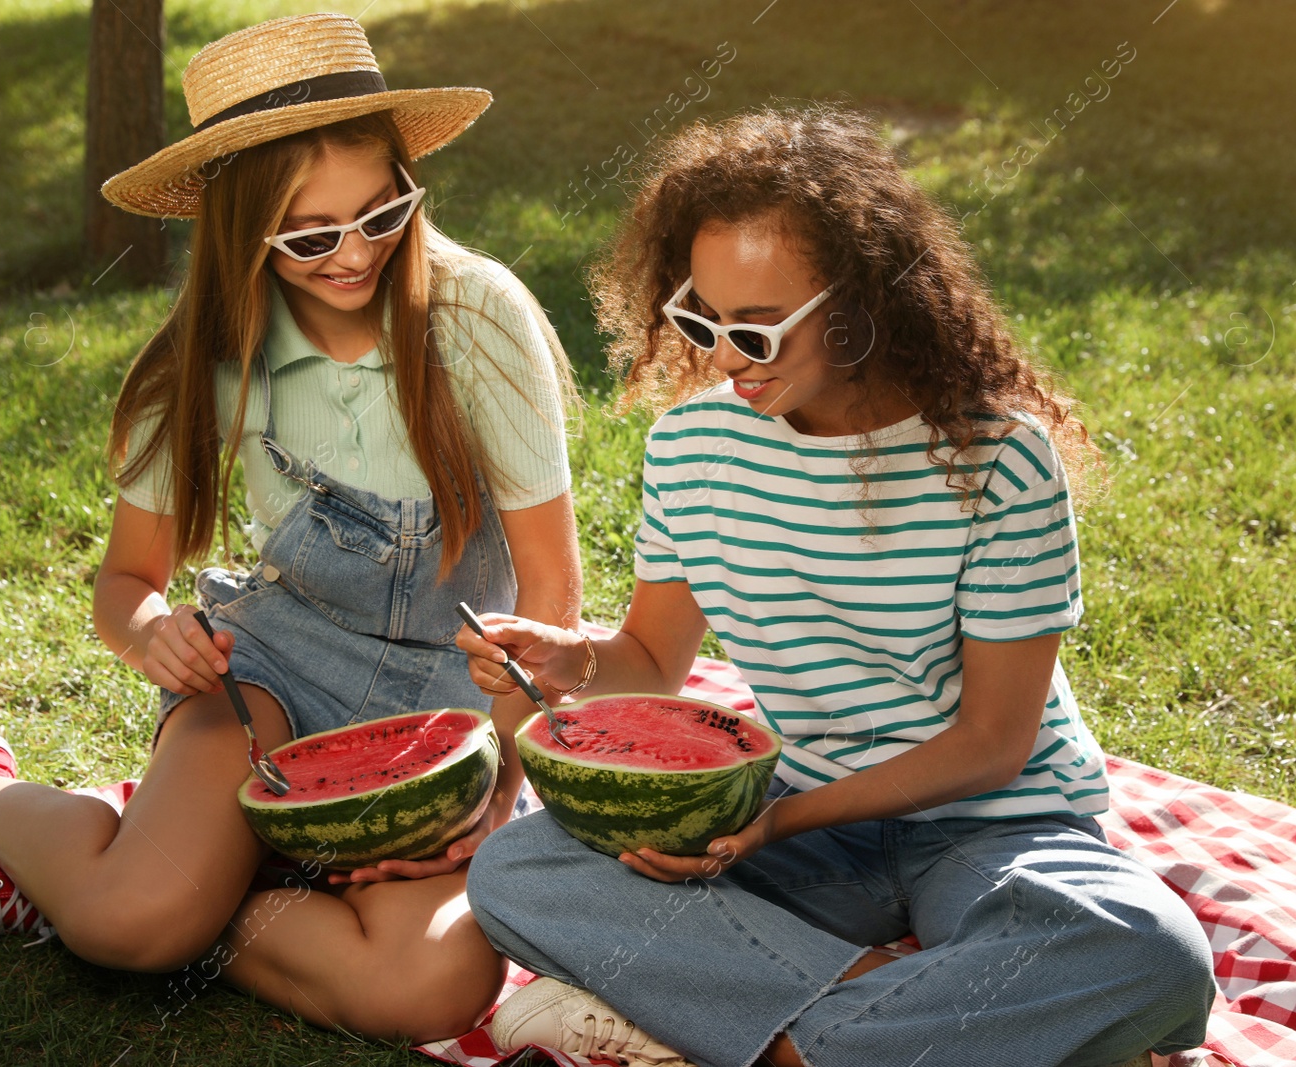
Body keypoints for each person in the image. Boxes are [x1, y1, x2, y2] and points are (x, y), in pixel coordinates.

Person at [0, 13, 580, 1042]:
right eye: (310, 234)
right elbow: (126, 584)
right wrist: (150, 632)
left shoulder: (479, 317)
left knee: (424, 991)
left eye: (384, 212)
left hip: (448, 705)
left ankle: (116, 871)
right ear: (240, 229)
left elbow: (548, 592)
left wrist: (489, 795)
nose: (355, 253)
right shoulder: (207, 360)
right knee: (126, 922)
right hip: (270, 674)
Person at [457, 105, 1218, 1067]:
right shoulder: (694, 447)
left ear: (861, 305)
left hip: (989, 824)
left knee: (1151, 953)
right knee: (523, 866)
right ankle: (933, 1026)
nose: (726, 359)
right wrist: (569, 659)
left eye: (760, 332)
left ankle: (758, 1031)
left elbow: (993, 741)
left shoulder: (998, 462)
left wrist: (781, 817)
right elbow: (651, 658)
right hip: (788, 824)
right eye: (703, 320)